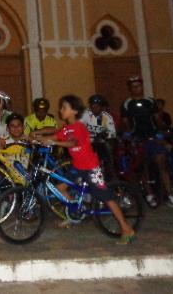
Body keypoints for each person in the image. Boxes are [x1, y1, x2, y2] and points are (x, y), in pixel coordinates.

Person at [39, 95, 136, 244]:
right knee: (60, 188)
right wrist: (33, 136)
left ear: (74, 111)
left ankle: (126, 228)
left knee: (106, 198)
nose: (60, 110)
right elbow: (55, 134)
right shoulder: (67, 128)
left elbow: (72, 143)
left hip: (91, 168)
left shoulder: (79, 127)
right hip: (78, 166)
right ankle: (76, 213)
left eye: (64, 107)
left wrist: (51, 141)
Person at [121, 75, 173, 208]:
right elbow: (125, 123)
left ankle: (170, 194)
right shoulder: (126, 104)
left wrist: (163, 130)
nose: (137, 89)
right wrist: (129, 135)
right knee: (142, 167)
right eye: (134, 87)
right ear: (130, 89)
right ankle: (149, 195)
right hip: (137, 139)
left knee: (161, 163)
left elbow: (157, 118)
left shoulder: (150, 101)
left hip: (153, 137)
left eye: (139, 86)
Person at [82, 94, 117, 180]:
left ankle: (111, 176)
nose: (94, 108)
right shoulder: (85, 115)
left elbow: (112, 135)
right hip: (87, 143)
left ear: (101, 107)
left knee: (108, 152)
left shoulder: (107, 117)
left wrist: (106, 137)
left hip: (100, 143)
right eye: (92, 106)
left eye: (97, 106)